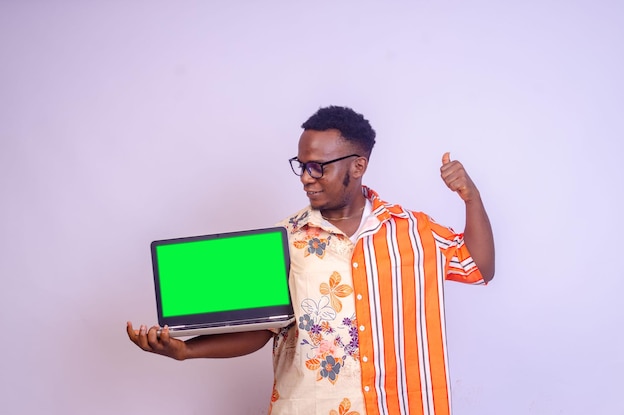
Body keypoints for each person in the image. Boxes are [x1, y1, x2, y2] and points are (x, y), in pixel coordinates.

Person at [127, 105, 495, 415]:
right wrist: (187, 350)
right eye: (301, 165)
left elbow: (478, 267)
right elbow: (261, 327)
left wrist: (471, 197)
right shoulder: (283, 239)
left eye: (318, 166)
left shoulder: (413, 231)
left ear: (358, 165)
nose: (305, 178)